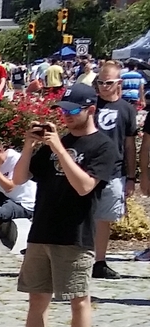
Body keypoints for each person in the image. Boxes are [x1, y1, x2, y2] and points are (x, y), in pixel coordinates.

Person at [0, 84, 121, 327]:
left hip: (75, 235)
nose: (66, 116)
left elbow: (84, 186)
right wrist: (29, 144)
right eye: (62, 110)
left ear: (90, 109)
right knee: (37, 299)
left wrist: (60, 149)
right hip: (42, 231)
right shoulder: (55, 142)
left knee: (79, 300)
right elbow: (18, 180)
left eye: (72, 110)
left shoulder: (102, 146)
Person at [91, 60, 140, 279]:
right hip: (88, 168)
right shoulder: (91, 104)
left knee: (104, 218)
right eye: (100, 82)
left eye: (108, 83)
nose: (104, 87)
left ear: (119, 83)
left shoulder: (127, 109)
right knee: (81, 216)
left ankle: (99, 261)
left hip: (114, 171)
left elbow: (129, 145)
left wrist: (131, 177)